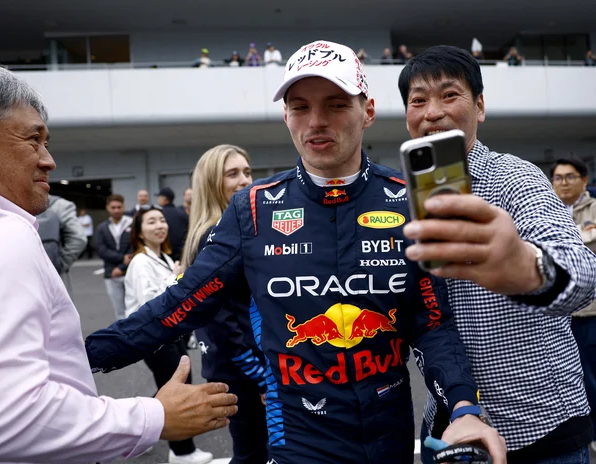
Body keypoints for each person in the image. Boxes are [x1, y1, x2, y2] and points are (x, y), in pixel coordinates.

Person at [86, 40, 505, 464]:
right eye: (300, 106)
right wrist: (80, 357)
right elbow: (182, 302)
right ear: (286, 115)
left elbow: (432, 324)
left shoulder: (405, 199)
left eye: (337, 104)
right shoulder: (252, 208)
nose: (316, 122)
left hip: (388, 435)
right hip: (297, 439)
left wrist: (463, 406)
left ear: (369, 112)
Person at [0, 63, 237, 462]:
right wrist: (153, 416)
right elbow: (9, 415)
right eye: (33, 140)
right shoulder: (6, 234)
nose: (49, 160)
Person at [397, 46, 596, 463]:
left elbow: (585, 276)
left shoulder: (514, 178)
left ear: (480, 106)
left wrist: (526, 268)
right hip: (452, 425)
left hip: (541, 425)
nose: (432, 112)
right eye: (418, 100)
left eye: (449, 95)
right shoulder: (402, 203)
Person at [181, 144, 268, 464]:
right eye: (232, 173)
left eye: (247, 171)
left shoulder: (224, 231)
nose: (244, 180)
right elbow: (222, 323)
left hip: (236, 367)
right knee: (253, 454)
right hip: (243, 372)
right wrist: (261, 378)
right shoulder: (215, 237)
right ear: (211, 183)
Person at [124, 206, 215, 464]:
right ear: (140, 232)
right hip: (151, 337)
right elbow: (148, 302)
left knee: (173, 386)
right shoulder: (141, 262)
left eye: (162, 220)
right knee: (178, 388)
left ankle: (134, 431)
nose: (160, 225)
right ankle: (182, 451)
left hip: (170, 333)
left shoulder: (162, 257)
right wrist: (175, 278)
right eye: (151, 222)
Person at [551, 158, 596, 464]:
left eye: (570, 177)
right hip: (556, 312)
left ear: (584, 179)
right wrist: (583, 237)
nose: (563, 183)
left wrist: (557, 244)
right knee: (558, 380)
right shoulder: (545, 206)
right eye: (557, 177)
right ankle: (567, 438)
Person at [36, 194, 87, 295]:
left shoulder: (4, 203)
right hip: (53, 279)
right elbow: (78, 239)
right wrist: (57, 265)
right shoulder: (59, 206)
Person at [96, 194, 133, 320]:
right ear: (108, 208)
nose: (116, 210)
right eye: (113, 207)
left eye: (119, 207)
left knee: (135, 308)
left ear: (124, 207)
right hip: (111, 274)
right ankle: (124, 338)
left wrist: (122, 267)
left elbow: (135, 248)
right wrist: (122, 259)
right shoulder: (102, 227)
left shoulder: (132, 224)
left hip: (131, 272)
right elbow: (101, 250)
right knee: (119, 312)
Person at [157, 186, 189, 261]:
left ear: (164, 199)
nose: (158, 199)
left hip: (163, 255)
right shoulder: (183, 214)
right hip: (181, 256)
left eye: (159, 197)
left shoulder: (159, 214)